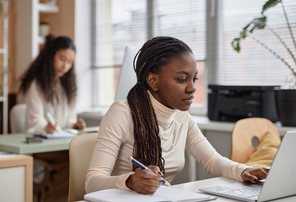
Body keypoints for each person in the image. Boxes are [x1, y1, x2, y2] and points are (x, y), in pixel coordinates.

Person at [85, 36, 268, 195]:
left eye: (194, 79)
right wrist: (130, 181)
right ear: (153, 81)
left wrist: (244, 171)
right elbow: (92, 182)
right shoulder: (122, 113)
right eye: (182, 79)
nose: (192, 88)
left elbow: (212, 161)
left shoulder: (181, 116)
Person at [19, 35, 86, 134]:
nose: (65, 66)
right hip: (41, 141)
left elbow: (68, 120)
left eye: (70, 62)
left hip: (61, 139)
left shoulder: (66, 87)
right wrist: (46, 127)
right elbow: (35, 121)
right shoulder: (36, 85)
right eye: (62, 59)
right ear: (51, 56)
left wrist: (74, 125)